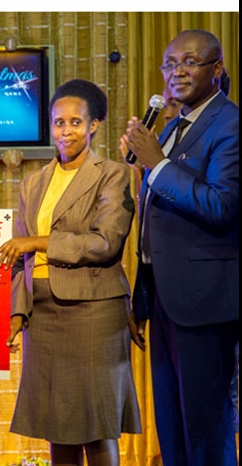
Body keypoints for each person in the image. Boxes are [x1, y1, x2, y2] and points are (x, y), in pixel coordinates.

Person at [0, 79, 140, 466]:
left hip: (93, 312)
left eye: (76, 122)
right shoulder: (34, 182)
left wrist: (39, 242)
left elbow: (104, 242)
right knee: (56, 426)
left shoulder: (111, 174)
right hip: (42, 315)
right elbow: (18, 255)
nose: (66, 131)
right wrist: (17, 312)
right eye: (59, 122)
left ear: (93, 126)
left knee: (96, 425)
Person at [124, 29, 238, 466]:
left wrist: (157, 163)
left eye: (190, 62)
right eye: (170, 64)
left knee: (206, 428)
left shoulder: (230, 124)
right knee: (171, 425)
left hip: (206, 303)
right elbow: (156, 217)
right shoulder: (173, 127)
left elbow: (222, 204)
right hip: (166, 300)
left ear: (217, 69)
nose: (177, 72)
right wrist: (142, 295)